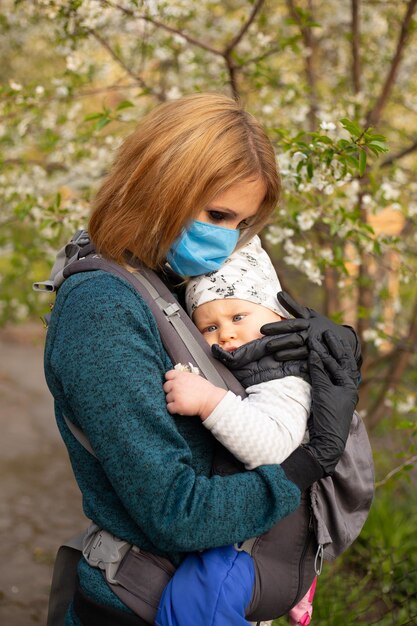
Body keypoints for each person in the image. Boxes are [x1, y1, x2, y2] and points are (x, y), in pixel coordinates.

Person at [42, 92, 360, 625]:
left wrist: (310, 357)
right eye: (217, 214)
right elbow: (177, 513)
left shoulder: (172, 278)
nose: (226, 239)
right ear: (159, 183)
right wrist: (308, 463)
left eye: (241, 223)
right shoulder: (102, 310)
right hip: (136, 604)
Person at [158, 235, 316, 626]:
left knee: (198, 599)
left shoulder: (285, 378)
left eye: (238, 317)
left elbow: (272, 447)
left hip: (259, 542)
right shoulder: (253, 364)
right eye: (209, 326)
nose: (225, 334)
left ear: (277, 317)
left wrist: (209, 401)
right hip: (245, 529)